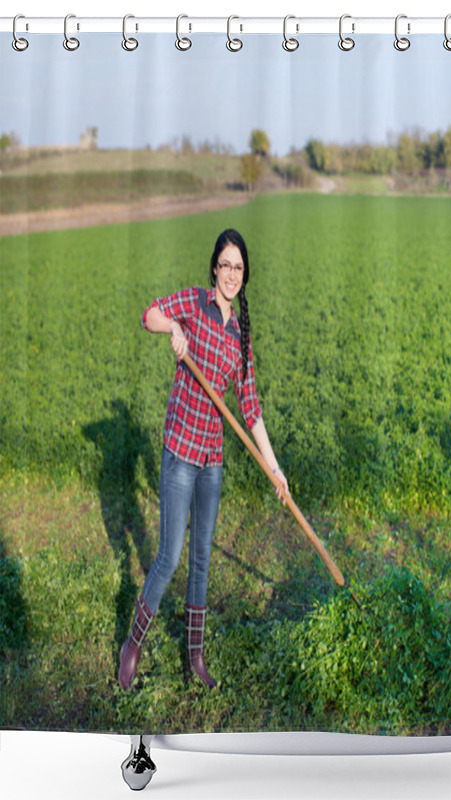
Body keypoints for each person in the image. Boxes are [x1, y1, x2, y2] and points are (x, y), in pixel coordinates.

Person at [118, 228, 289, 690]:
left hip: (212, 459)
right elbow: (148, 314)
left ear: (243, 274)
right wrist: (173, 328)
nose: (231, 273)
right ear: (214, 267)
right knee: (170, 557)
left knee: (201, 561)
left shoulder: (240, 335)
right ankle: (132, 645)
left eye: (239, 267)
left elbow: (250, 409)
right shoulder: (193, 303)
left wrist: (275, 470)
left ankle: (194, 656)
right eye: (225, 264)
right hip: (180, 452)